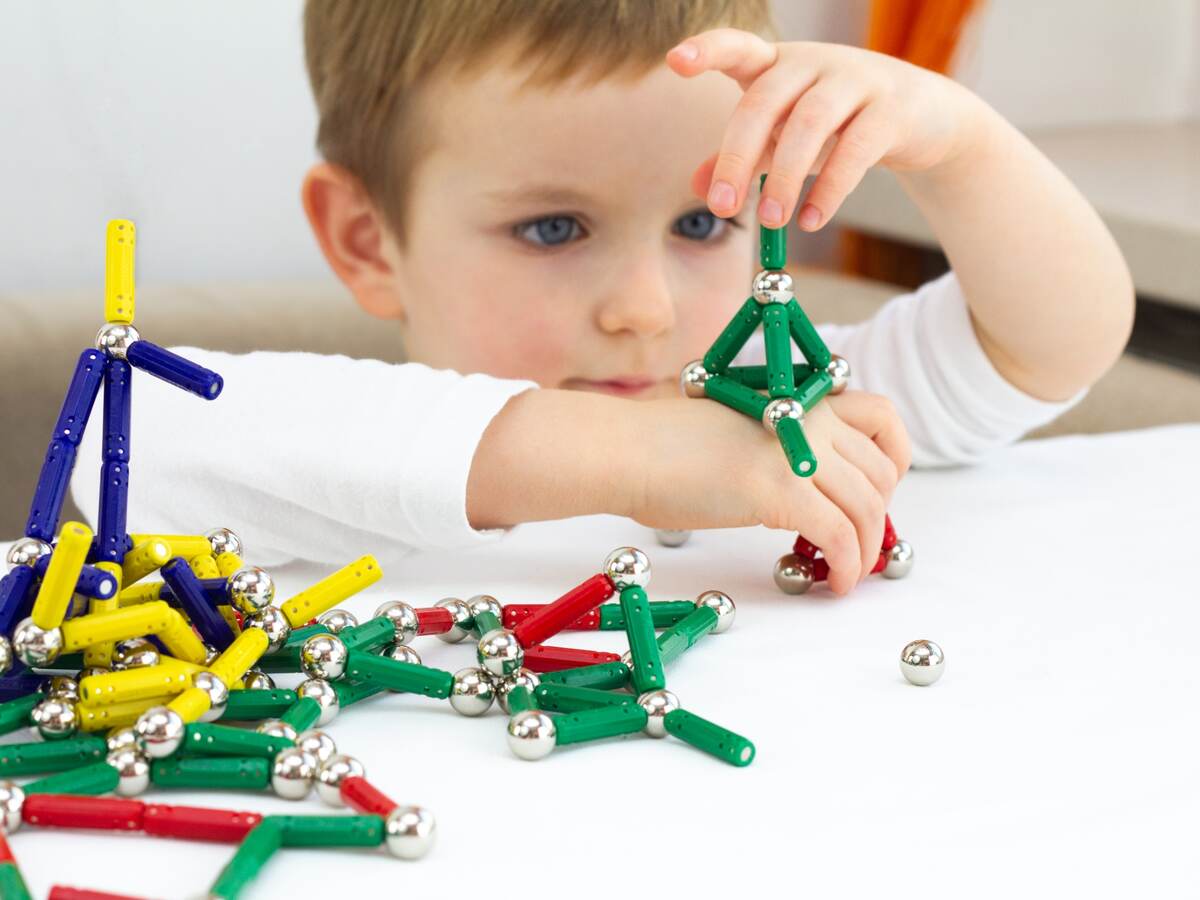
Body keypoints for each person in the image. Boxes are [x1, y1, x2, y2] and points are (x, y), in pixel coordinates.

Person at [71, 1, 1133, 596]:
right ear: (367, 240)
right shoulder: (327, 474)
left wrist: (957, 142)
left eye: (703, 223)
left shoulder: (787, 410)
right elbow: (131, 431)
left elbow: (1054, 343)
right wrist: (641, 459)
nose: (644, 309)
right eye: (553, 229)